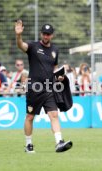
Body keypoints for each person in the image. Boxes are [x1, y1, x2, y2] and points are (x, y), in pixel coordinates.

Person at [15, 20, 72, 153]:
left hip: (49, 88)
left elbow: (55, 68)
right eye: (44, 34)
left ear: (52, 35)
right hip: (34, 88)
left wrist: (59, 77)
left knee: (54, 114)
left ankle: (59, 142)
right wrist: (18, 36)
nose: (46, 36)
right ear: (41, 34)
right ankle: (28, 145)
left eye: (49, 34)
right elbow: (21, 45)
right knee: (30, 117)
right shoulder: (33, 46)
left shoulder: (55, 50)